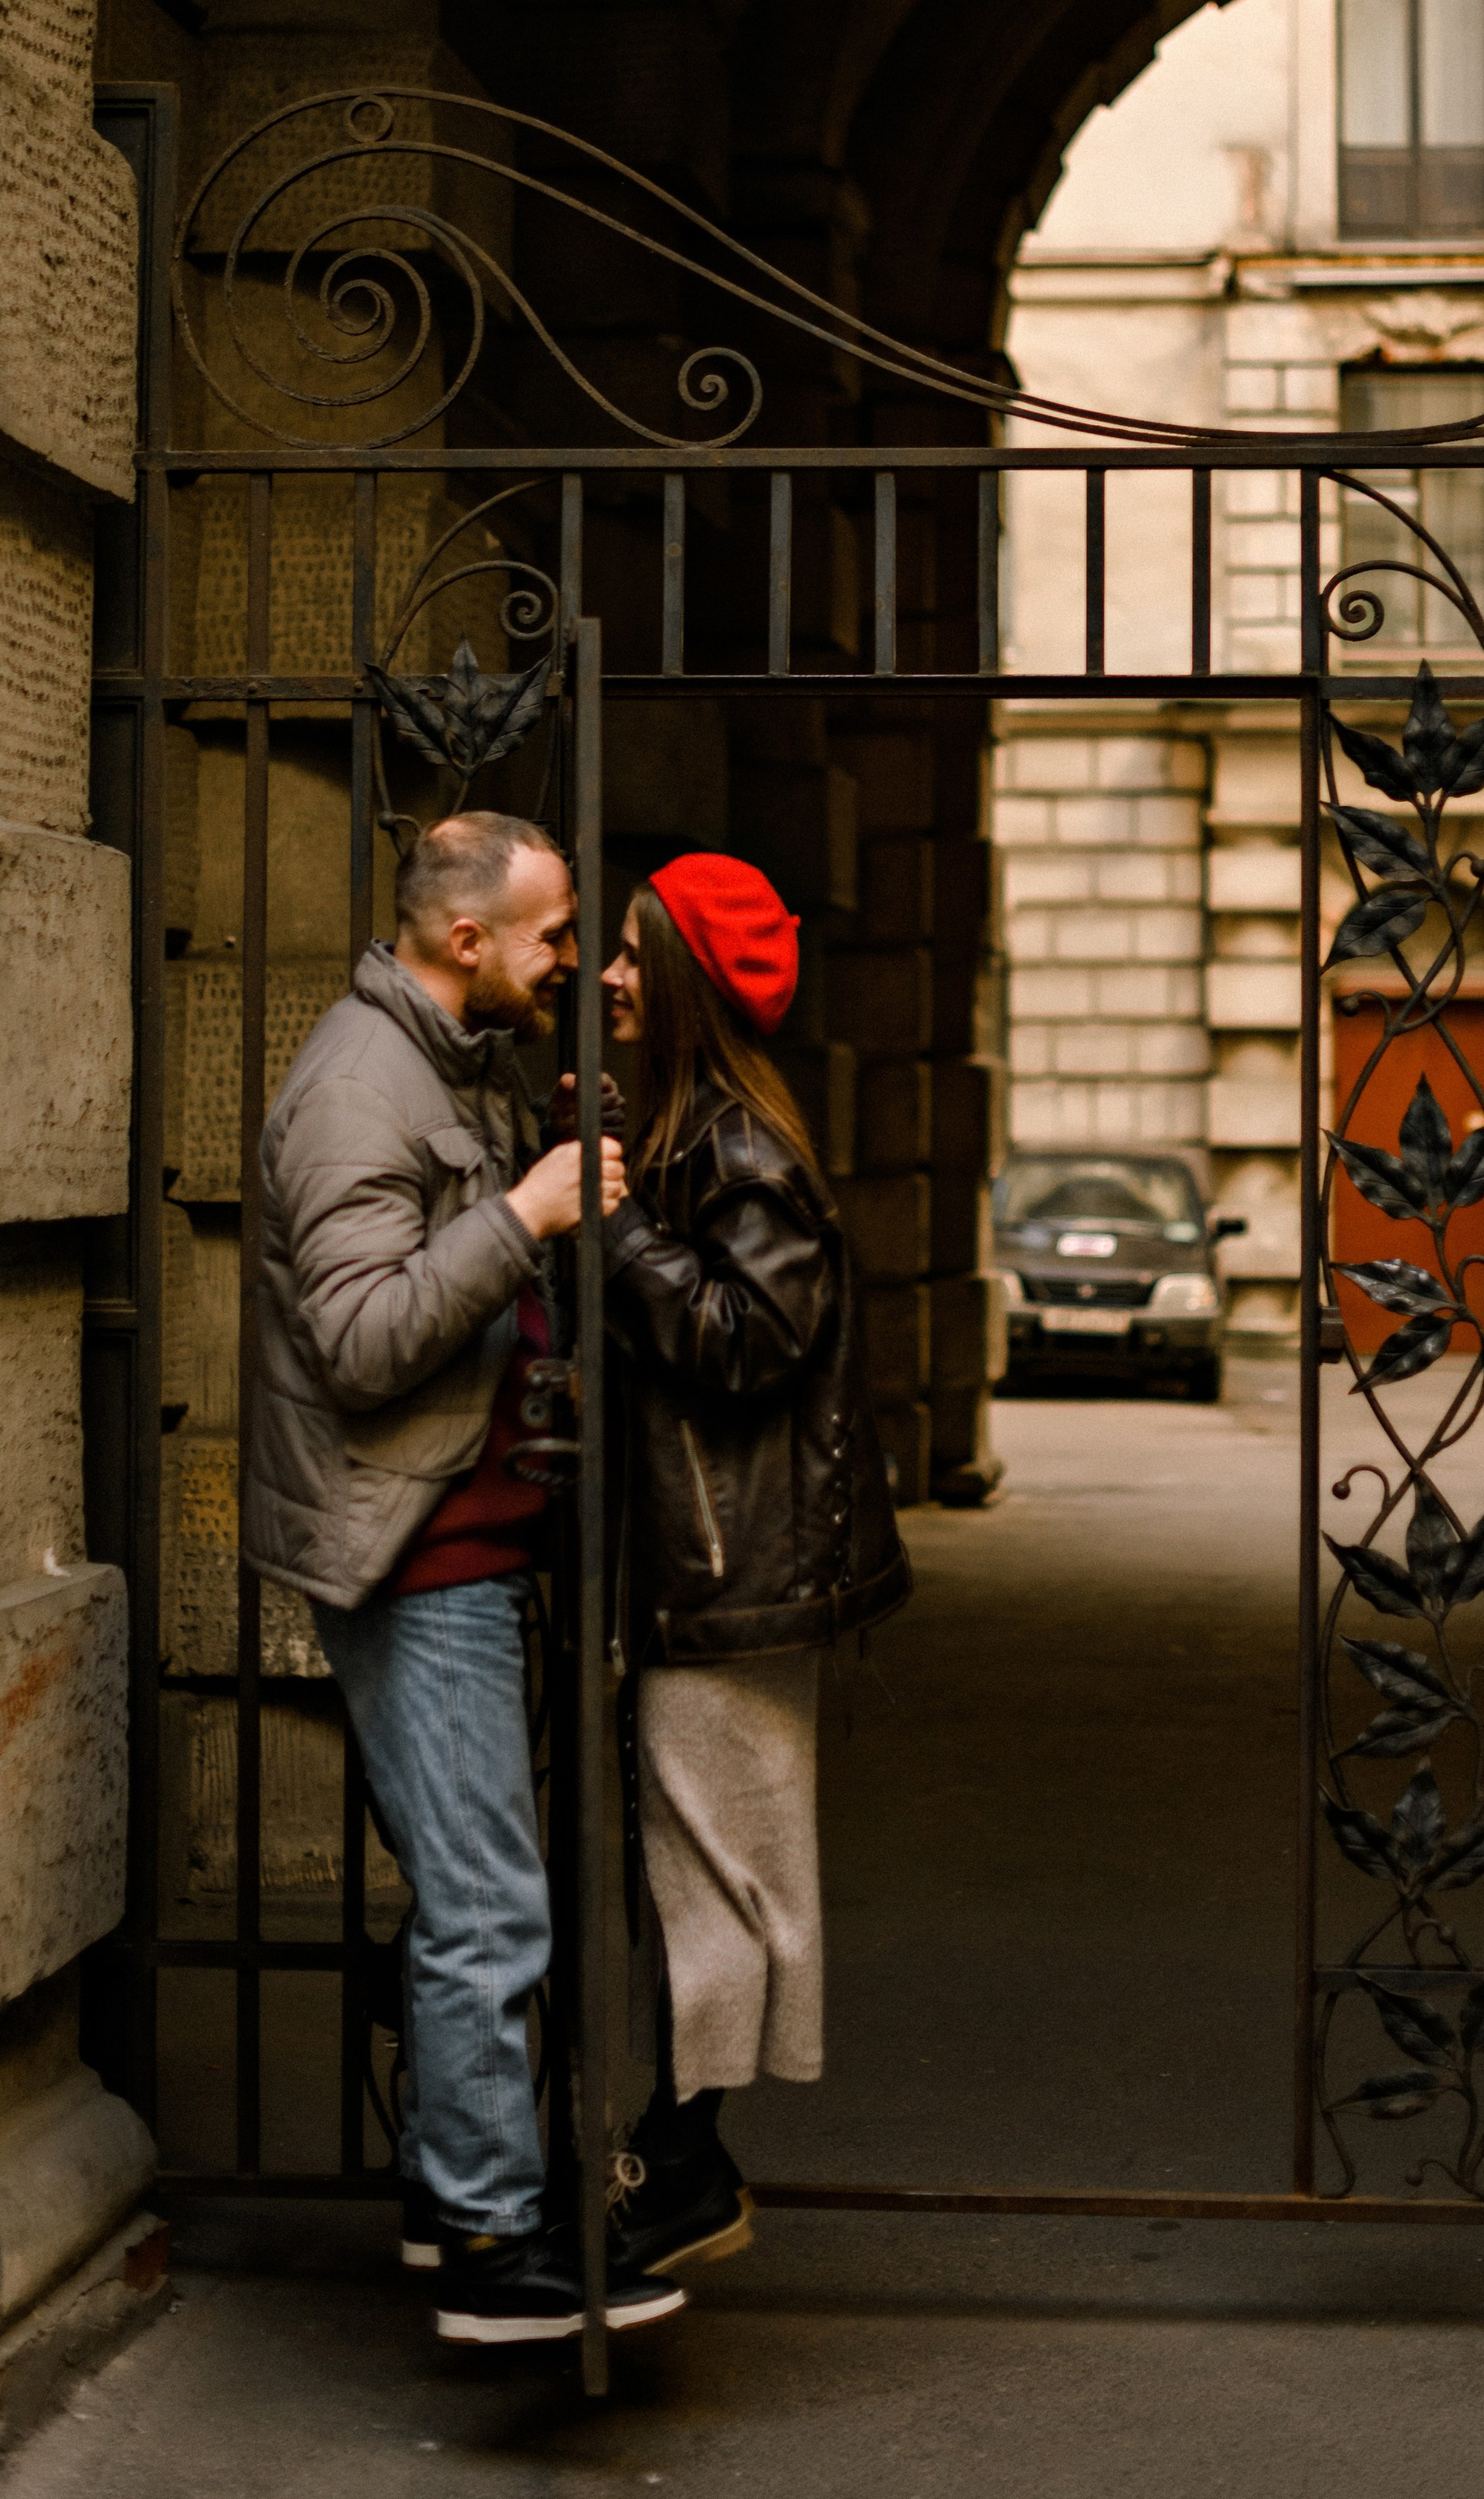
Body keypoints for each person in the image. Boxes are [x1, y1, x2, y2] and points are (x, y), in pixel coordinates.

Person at [245, 809, 685, 2346]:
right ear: (466, 938)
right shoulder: (357, 1089)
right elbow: (365, 1344)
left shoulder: (443, 1061)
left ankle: (459, 2201)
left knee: (487, 1892)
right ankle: (499, 2246)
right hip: (416, 1550)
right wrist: (525, 1214)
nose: (570, 959)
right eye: (555, 933)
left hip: (465, 1534)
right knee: (491, 1907)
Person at [588, 853, 913, 2284]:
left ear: (683, 984)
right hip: (714, 1570)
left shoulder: (740, 1149)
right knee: (707, 1872)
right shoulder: (689, 1132)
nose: (602, 973)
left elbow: (747, 1340)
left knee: (717, 1877)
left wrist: (615, 1234)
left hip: (732, 1580)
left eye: (628, 951)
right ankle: (673, 2153)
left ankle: (682, 2161)